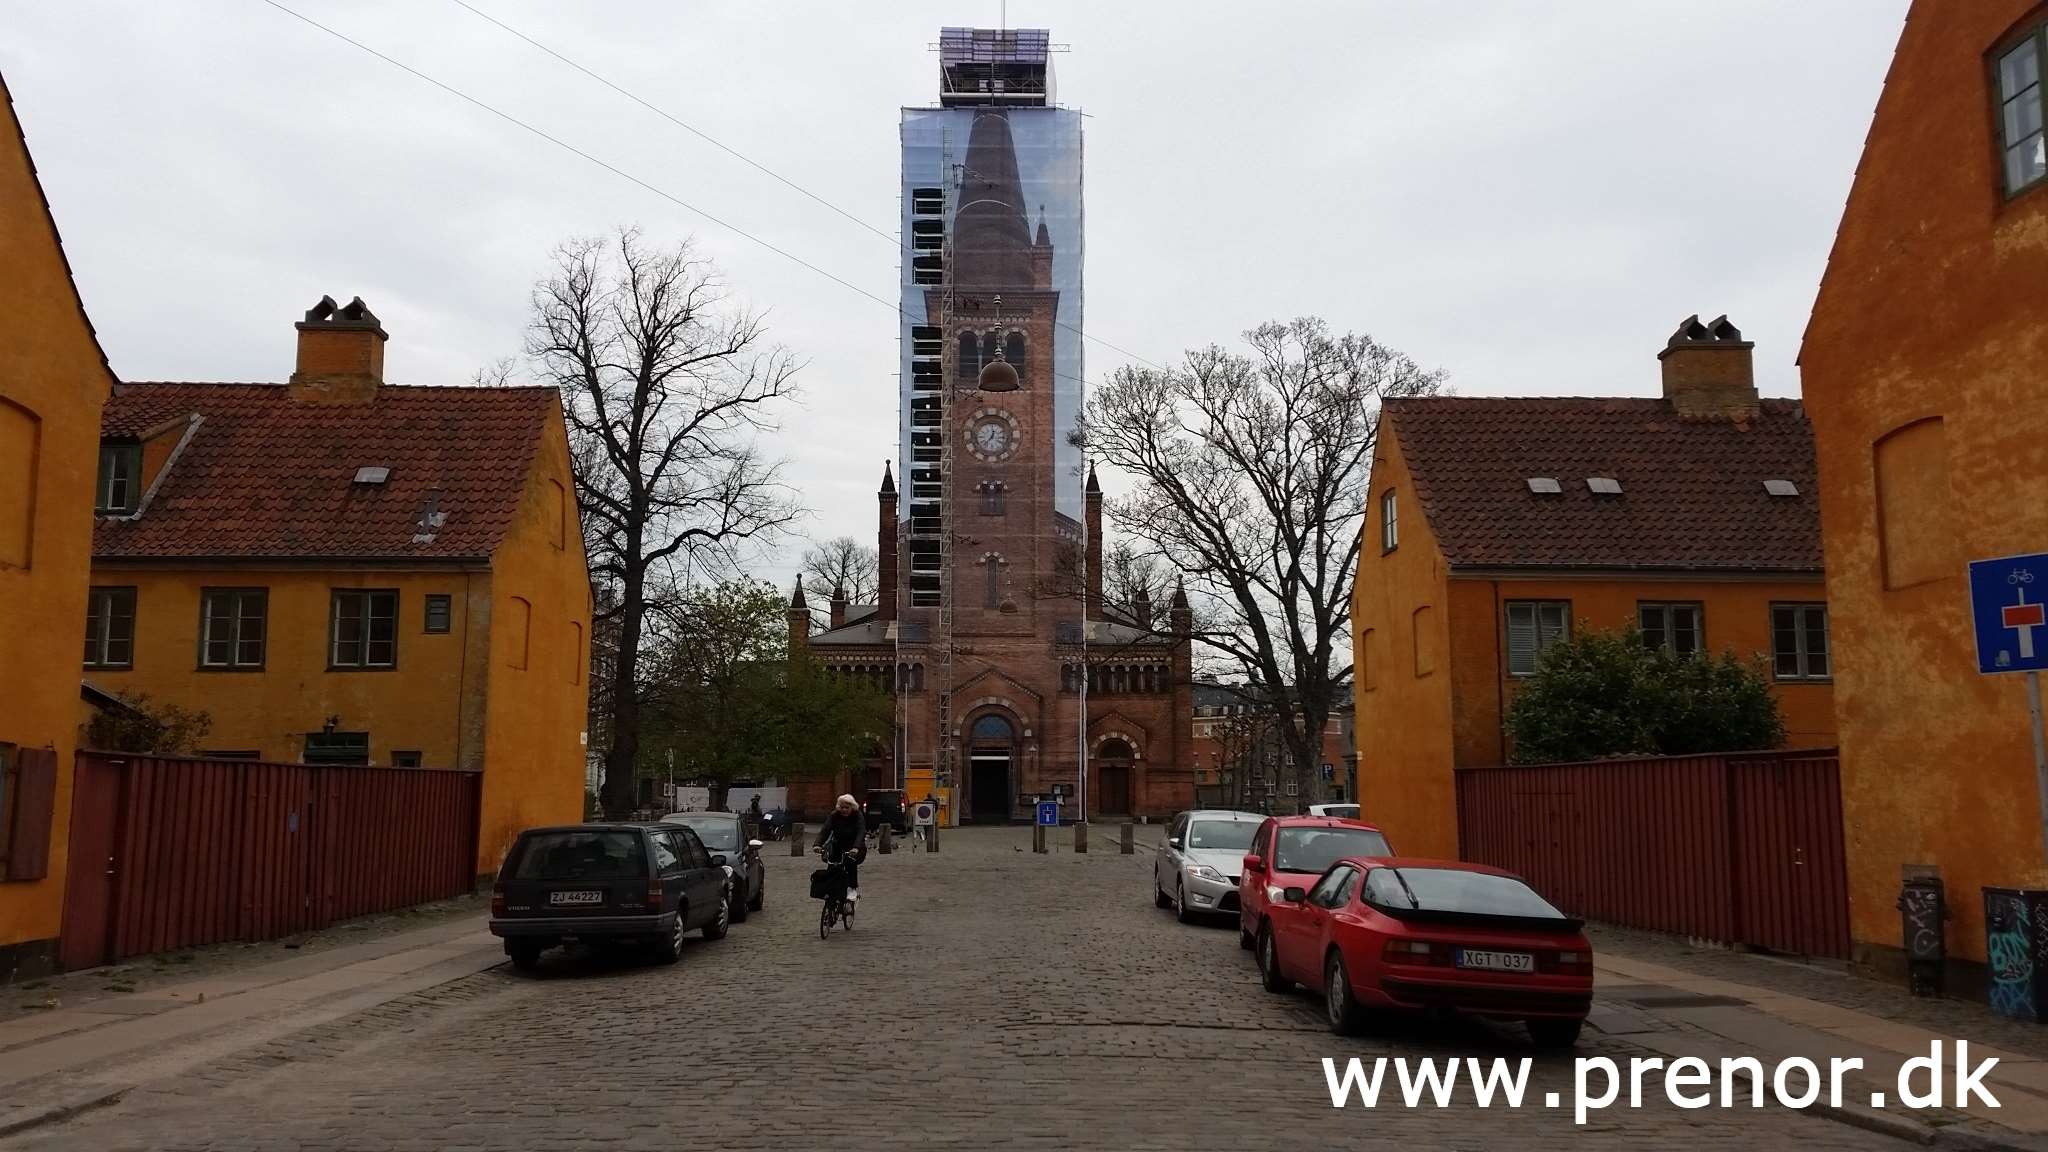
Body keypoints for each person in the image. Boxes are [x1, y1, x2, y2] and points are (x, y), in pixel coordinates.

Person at [814, 793, 866, 903]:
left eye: (847, 808)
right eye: (842, 807)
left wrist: (856, 847)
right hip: (838, 845)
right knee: (832, 863)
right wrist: (817, 844)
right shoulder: (834, 816)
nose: (844, 810)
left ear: (852, 807)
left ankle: (852, 888)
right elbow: (825, 830)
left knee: (850, 861)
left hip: (855, 846)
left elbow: (861, 832)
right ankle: (830, 889)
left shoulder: (858, 816)